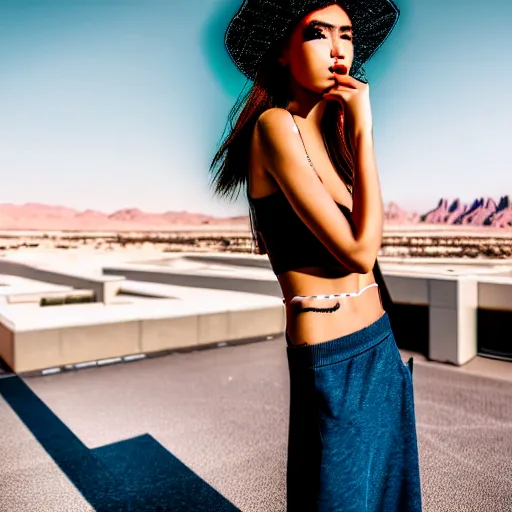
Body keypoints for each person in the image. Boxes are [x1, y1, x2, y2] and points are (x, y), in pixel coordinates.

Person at [210, 1, 422, 510]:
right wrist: (366, 130)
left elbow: (368, 252)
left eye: (346, 35)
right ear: (282, 51)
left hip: (378, 347)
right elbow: (359, 250)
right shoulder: (274, 127)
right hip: (332, 360)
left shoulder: (328, 136)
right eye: (317, 34)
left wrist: (351, 133)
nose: (337, 50)